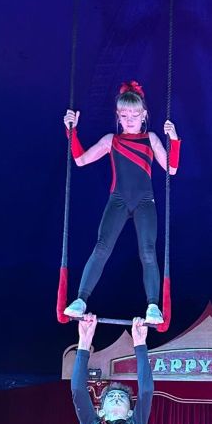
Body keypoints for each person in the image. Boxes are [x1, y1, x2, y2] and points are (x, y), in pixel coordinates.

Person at [62, 80, 181, 325]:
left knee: (148, 252)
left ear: (144, 115)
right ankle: (81, 299)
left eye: (135, 115)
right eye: (124, 115)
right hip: (117, 200)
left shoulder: (151, 139)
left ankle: (152, 306)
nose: (129, 120)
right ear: (118, 116)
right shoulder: (111, 140)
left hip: (145, 201)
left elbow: (171, 168)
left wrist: (174, 139)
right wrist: (71, 131)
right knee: (101, 248)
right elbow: (81, 160)